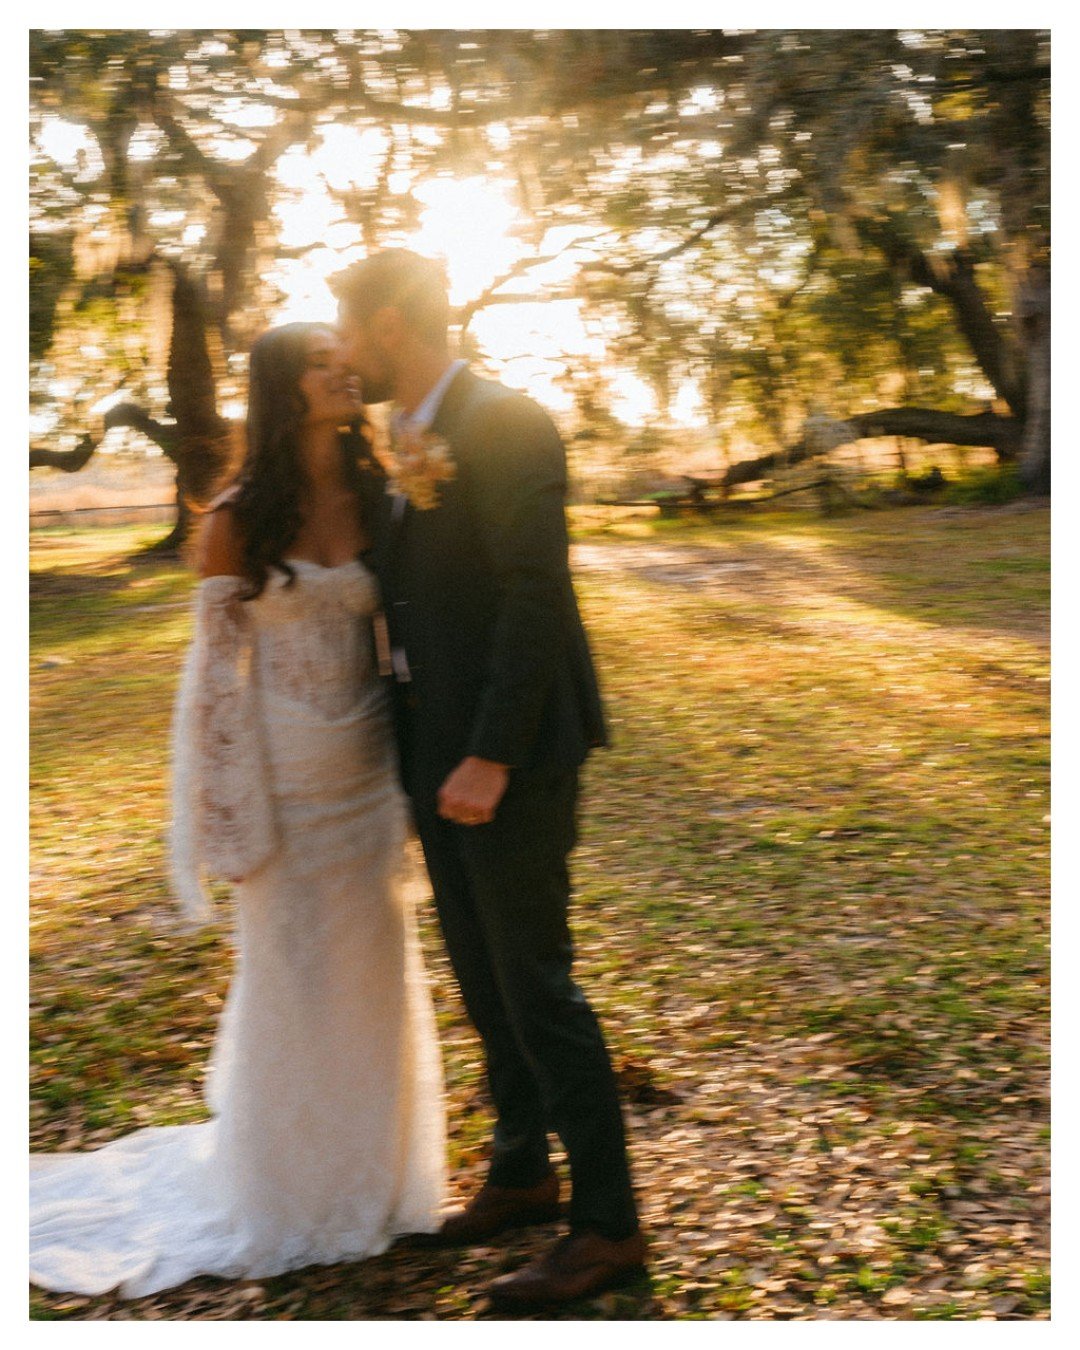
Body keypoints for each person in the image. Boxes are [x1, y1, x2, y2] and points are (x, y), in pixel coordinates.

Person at [29, 323, 447, 1298]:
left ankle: (376, 1184)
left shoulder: (382, 496)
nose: (345, 369)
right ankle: (290, 1198)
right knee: (292, 985)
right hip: (285, 785)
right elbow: (214, 684)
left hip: (370, 778)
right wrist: (226, 818)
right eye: (320, 362)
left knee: (374, 982)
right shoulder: (237, 514)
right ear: (279, 388)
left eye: (346, 359)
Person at [334, 249, 646, 1312]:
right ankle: (522, 1172)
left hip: (507, 757)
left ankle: (607, 1230)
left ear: (386, 324)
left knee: (537, 987)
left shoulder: (508, 422)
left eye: (348, 331)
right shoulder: (404, 439)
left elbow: (533, 597)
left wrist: (493, 753)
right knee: (482, 981)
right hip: (434, 755)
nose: (342, 351)